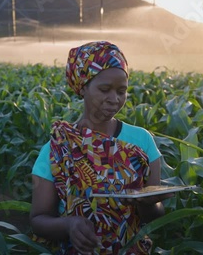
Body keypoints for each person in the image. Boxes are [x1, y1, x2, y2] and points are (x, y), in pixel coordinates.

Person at [30, 41, 172, 255]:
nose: (114, 99)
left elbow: (155, 216)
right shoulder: (56, 148)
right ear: (82, 87)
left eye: (122, 91)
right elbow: (38, 219)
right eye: (104, 89)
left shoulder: (142, 141)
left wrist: (148, 204)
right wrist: (69, 225)